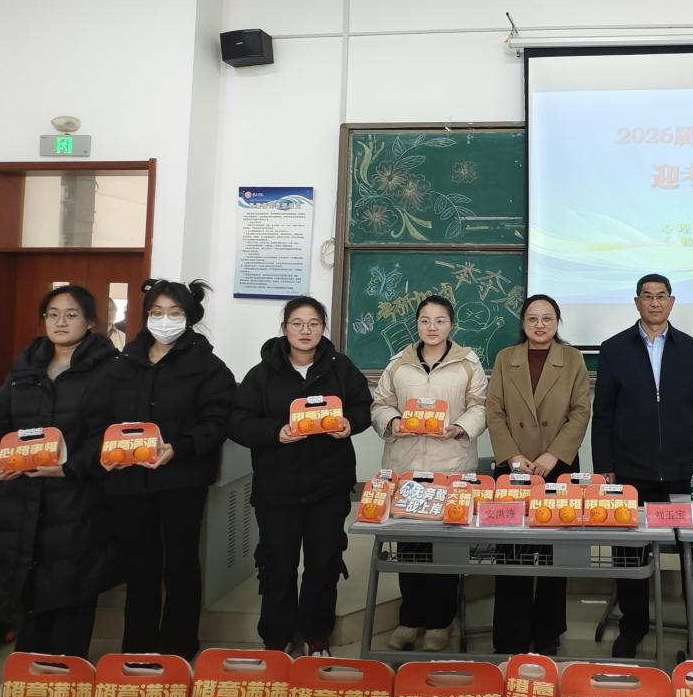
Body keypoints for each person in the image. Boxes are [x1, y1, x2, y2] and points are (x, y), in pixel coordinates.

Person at [592, 274, 693, 662]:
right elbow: (603, 416)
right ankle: (632, 628)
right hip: (630, 471)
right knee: (629, 555)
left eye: (661, 296)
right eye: (647, 297)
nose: (654, 303)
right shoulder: (614, 349)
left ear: (672, 301)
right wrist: (605, 469)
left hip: (685, 472)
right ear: (637, 302)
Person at [230, 296, 372, 657]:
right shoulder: (262, 374)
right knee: (278, 563)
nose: (305, 331)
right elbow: (238, 421)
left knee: (323, 562)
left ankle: (316, 634)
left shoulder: (340, 368)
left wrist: (350, 423)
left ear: (323, 328)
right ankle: (276, 638)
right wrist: (275, 432)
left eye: (313, 323)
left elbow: (363, 406)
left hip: (329, 484)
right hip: (277, 487)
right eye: (297, 323)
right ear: (284, 329)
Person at [103, 279, 235, 660]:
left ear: (189, 318)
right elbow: (100, 415)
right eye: (157, 312)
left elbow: (217, 422)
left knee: (180, 565)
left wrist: (179, 446)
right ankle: (137, 652)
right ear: (146, 315)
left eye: (175, 313)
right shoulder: (123, 364)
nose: (165, 320)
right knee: (139, 568)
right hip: (129, 480)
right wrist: (106, 448)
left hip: (182, 480)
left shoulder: (209, 367)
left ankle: (178, 649)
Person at [0, 285, 118, 656]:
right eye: (52, 314)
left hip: (77, 498)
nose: (60, 322)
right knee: (27, 590)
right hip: (21, 498)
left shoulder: (109, 370)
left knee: (71, 590)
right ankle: (30, 676)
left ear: (91, 322)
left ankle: (67, 676)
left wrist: (68, 467)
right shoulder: (25, 367)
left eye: (71, 314)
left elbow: (109, 435)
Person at [371, 295, 488, 652]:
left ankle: (440, 621)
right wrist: (392, 421)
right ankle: (410, 618)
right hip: (407, 468)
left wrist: (460, 427)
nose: (432, 327)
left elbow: (481, 406)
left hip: (451, 467)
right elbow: (380, 403)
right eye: (425, 320)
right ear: (417, 324)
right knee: (409, 548)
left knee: (445, 549)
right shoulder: (399, 363)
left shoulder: (467, 363)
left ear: (451, 324)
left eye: (440, 321)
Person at [486, 294, 590, 655]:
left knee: (552, 551)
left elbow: (580, 412)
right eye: (533, 318)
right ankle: (510, 634)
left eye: (548, 318)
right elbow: (494, 410)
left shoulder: (573, 359)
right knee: (510, 550)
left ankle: (547, 632)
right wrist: (513, 456)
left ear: (558, 323)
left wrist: (553, 455)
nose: (540, 325)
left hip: (557, 467)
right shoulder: (506, 358)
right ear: (523, 323)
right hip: (513, 467)